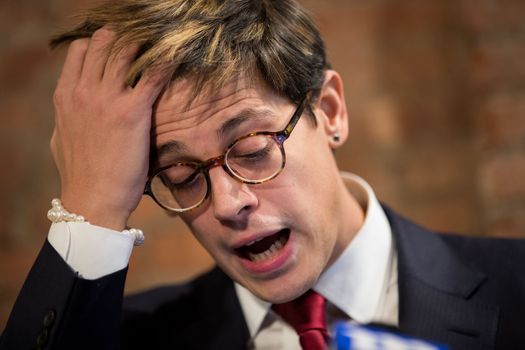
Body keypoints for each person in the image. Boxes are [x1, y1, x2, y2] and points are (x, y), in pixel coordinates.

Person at [1, 0, 524, 349]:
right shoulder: (130, 335)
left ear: (331, 111)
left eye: (251, 149)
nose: (228, 204)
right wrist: (90, 208)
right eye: (182, 175)